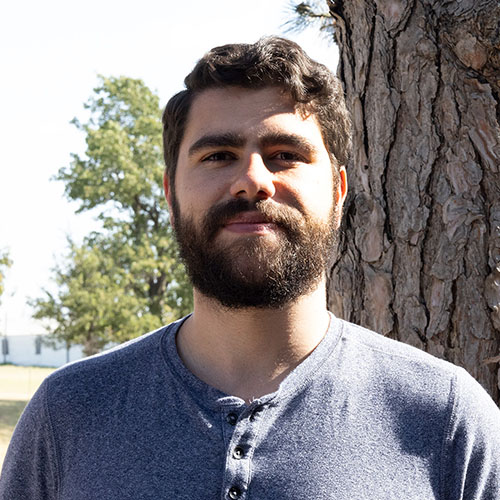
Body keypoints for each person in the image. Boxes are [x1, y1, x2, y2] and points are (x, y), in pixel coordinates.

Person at [1, 36, 499, 500]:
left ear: (339, 192)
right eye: (219, 155)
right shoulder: (68, 414)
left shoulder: (448, 419)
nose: (252, 181)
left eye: (284, 155)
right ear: (171, 195)